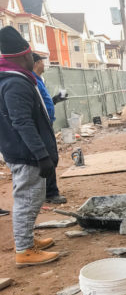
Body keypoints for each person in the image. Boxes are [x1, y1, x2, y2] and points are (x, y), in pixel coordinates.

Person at [0, 26, 60, 267]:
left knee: (31, 197)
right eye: (30, 55)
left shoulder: (13, 79)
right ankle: (24, 250)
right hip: (25, 153)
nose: (32, 59)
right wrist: (41, 154)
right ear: (23, 56)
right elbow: (22, 122)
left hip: (21, 150)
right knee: (28, 198)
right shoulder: (16, 83)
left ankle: (26, 240)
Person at [32, 52, 66, 204]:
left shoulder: (39, 80)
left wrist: (56, 100)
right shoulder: (32, 81)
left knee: (51, 157)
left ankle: (48, 191)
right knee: (49, 157)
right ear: (37, 63)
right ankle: (50, 193)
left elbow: (43, 104)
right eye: (42, 61)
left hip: (46, 123)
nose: (44, 64)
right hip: (41, 126)